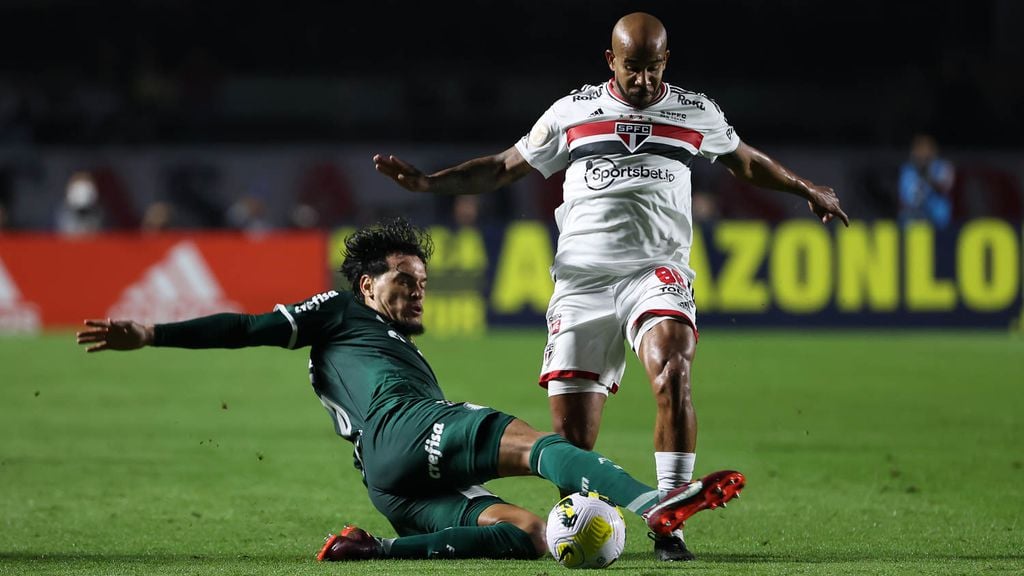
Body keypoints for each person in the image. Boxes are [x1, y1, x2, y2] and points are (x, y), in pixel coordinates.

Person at [372, 11, 847, 561]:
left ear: (666, 61)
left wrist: (804, 186)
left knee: (673, 363)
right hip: (581, 284)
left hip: (656, 270)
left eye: (652, 68)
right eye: (631, 68)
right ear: (610, 61)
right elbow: (504, 167)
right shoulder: (571, 112)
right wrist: (432, 183)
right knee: (573, 437)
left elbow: (746, 163)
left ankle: (671, 520)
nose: (642, 80)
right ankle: (581, 528)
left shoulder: (696, 111)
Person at [76, 217, 744, 562]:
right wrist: (153, 333)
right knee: (536, 446)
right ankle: (653, 502)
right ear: (367, 286)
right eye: (404, 281)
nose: (417, 289)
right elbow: (246, 327)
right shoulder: (341, 312)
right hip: (404, 427)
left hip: (391, 485)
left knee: (531, 535)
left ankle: (373, 551)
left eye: (422, 282)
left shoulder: (391, 346)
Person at [898, 133, 954, 230]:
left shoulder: (943, 167)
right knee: (905, 216)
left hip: (939, 217)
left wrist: (928, 176)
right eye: (919, 150)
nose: (923, 154)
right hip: (916, 217)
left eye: (926, 150)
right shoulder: (908, 170)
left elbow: (945, 187)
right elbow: (907, 198)